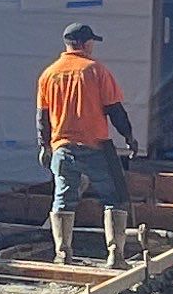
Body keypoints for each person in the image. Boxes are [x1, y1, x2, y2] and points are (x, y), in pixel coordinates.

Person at [35, 23, 138, 264]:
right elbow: (115, 110)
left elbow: (42, 115)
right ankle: (116, 254)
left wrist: (44, 145)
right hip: (96, 146)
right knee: (115, 197)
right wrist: (129, 138)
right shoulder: (96, 71)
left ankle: (62, 253)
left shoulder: (49, 74)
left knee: (63, 197)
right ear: (85, 43)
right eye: (92, 42)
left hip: (62, 147)